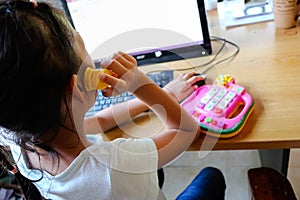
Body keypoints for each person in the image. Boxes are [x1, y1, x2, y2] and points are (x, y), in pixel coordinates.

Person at [0, 0, 226, 199]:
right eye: (84, 48)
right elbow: (187, 131)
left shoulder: (22, 142)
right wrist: (140, 84)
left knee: (155, 169)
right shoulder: (116, 167)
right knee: (212, 177)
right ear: (76, 87)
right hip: (125, 182)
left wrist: (167, 94)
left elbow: (101, 119)